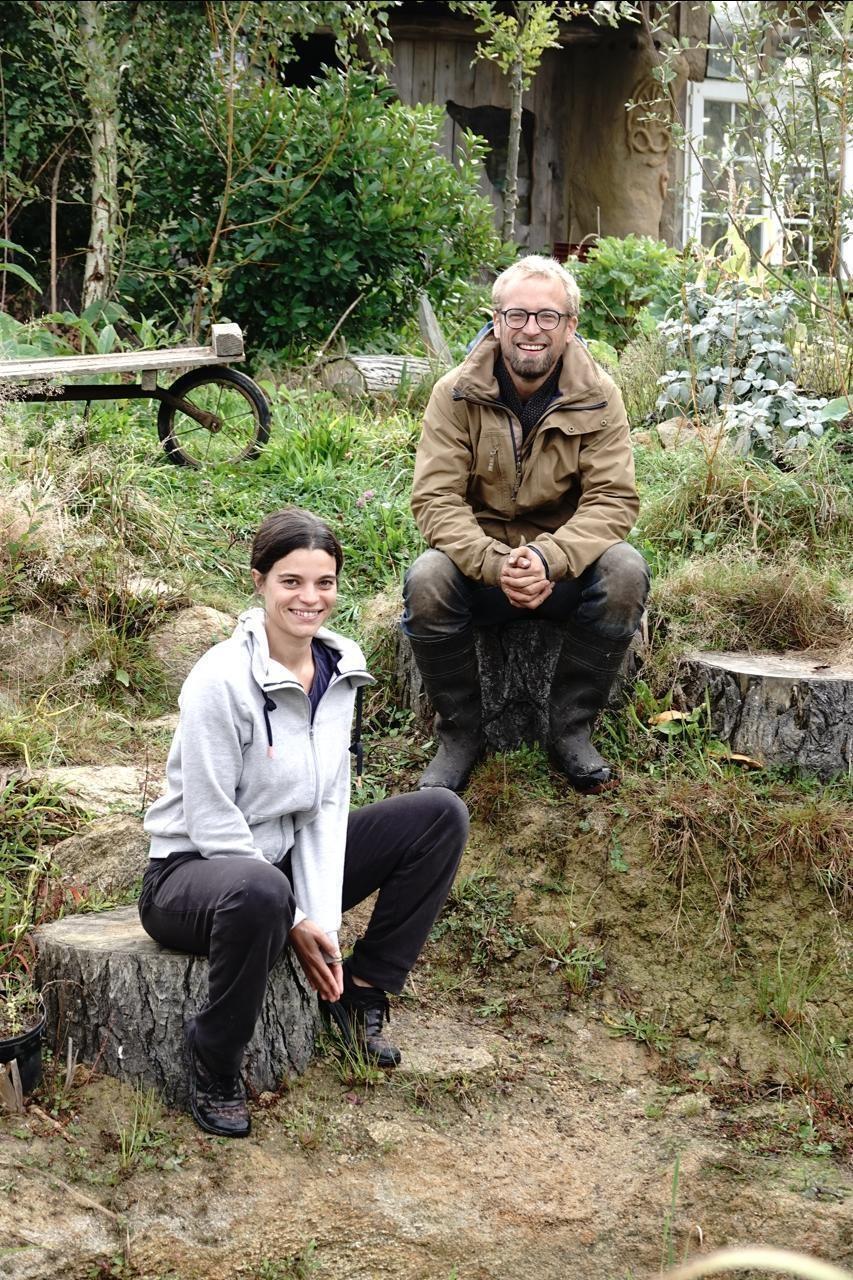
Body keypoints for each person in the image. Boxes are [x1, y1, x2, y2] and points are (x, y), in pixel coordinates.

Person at [140, 507, 468, 1138]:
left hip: (280, 864)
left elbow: (326, 806)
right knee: (262, 890)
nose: (309, 598)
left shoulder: (342, 669)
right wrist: (293, 917)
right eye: (291, 581)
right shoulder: (220, 680)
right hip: (192, 875)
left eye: (324, 582)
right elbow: (209, 820)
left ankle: (360, 997)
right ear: (259, 581)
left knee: (438, 815)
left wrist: (322, 921)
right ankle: (215, 1066)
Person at [403, 255, 650, 795]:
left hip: (562, 570)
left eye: (547, 317)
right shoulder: (455, 394)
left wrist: (547, 559)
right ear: (496, 322)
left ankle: (570, 728)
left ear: (570, 326)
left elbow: (613, 500)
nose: (531, 330)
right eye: (517, 316)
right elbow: (435, 499)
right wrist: (495, 563)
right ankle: (460, 735)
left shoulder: (599, 395)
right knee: (426, 580)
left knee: (626, 571)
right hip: (480, 568)